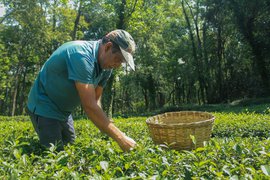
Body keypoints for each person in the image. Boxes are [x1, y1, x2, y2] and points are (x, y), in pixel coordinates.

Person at [26, 29, 137, 151]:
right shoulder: (81, 56)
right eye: (118, 59)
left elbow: (95, 99)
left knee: (70, 147)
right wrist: (121, 138)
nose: (118, 65)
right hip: (44, 106)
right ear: (108, 47)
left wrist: (106, 126)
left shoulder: (107, 68)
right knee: (54, 154)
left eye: (122, 62)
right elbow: (89, 106)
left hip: (64, 112)